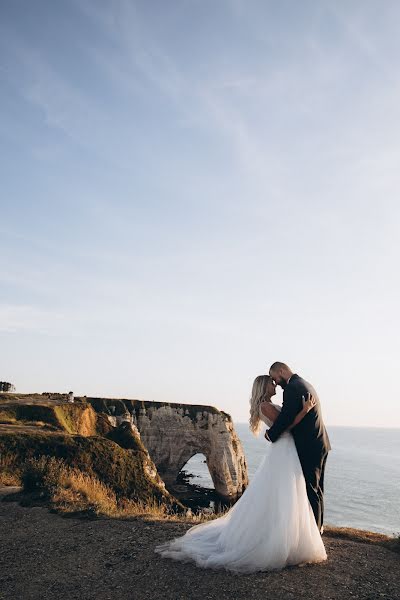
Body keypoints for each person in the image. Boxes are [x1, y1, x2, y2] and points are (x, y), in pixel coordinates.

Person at [154, 375, 327, 573]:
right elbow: (285, 426)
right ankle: (280, 538)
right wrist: (305, 411)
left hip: (286, 451)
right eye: (271, 383)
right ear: (263, 387)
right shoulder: (265, 406)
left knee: (285, 494)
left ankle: (288, 536)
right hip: (284, 451)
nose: (275, 385)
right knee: (284, 493)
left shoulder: (267, 405)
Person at [266, 362, 331, 533]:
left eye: (275, 378)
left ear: (281, 371)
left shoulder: (292, 388)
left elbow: (287, 417)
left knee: (311, 489)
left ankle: (314, 534)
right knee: (317, 489)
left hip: (309, 445)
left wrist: (271, 434)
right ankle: (318, 528)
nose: (276, 383)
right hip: (320, 443)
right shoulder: (304, 383)